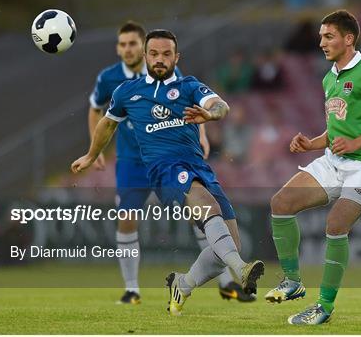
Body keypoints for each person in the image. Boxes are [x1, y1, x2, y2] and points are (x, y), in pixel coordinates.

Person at [73, 29, 264, 316]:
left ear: (176, 57)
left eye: (166, 54)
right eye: (154, 54)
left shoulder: (189, 86)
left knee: (229, 244)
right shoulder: (128, 91)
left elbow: (220, 105)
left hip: (198, 166)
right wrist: (91, 154)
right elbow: (107, 123)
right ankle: (242, 269)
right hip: (164, 169)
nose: (159, 59)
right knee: (210, 213)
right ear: (145, 55)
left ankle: (182, 284)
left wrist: (211, 115)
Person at [264, 10, 361, 325]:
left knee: (335, 224)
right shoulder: (330, 77)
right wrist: (313, 143)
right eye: (321, 36)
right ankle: (293, 281)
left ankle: (323, 307)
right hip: (336, 161)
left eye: (329, 36)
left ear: (348, 38)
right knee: (281, 203)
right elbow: (338, 128)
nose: (321, 42)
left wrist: (356, 144)